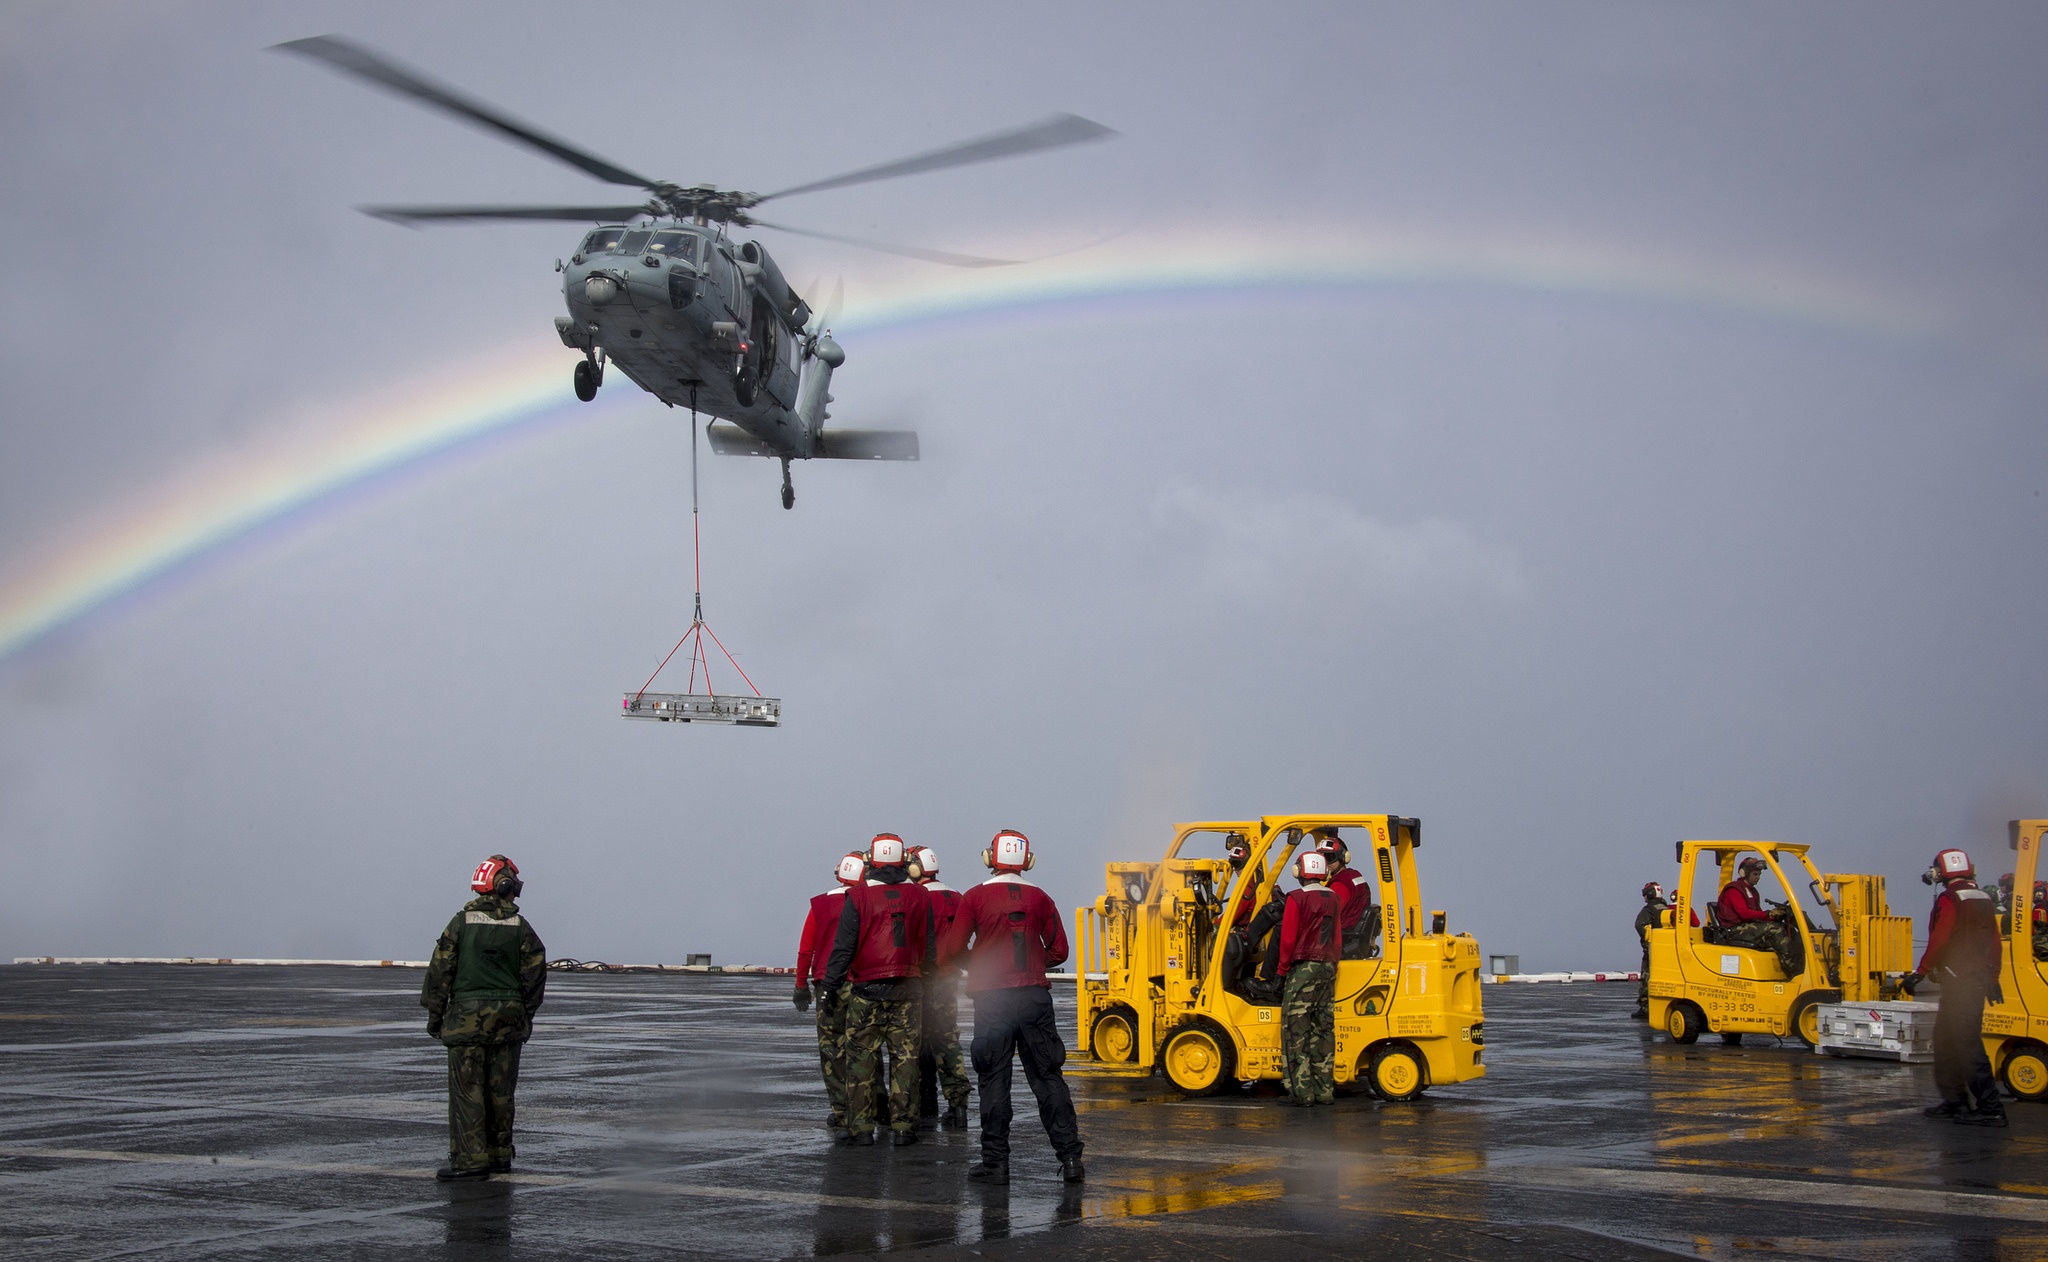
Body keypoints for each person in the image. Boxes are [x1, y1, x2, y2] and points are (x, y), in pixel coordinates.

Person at [938, 829, 1085, 1185]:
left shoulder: (974, 897)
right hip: (1035, 996)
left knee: (994, 1080)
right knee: (1048, 1077)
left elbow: (954, 948)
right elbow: (1060, 951)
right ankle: (1070, 1160)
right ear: (1027, 862)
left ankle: (996, 1164)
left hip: (993, 1000)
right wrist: (1033, 962)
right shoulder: (1042, 899)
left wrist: (983, 965)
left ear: (990, 858)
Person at [420, 854, 547, 1181]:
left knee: (468, 1093)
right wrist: (524, 1016)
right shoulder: (521, 928)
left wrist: (436, 1017)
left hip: (465, 1024)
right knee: (501, 1092)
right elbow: (534, 977)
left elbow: (439, 974)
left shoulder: (460, 924)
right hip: (508, 1024)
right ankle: (500, 1155)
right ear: (504, 886)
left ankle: (470, 1161)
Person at [823, 833, 934, 1147]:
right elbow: (929, 949)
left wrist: (829, 989)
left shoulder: (857, 897)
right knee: (906, 1061)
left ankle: (862, 1130)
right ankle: (903, 1128)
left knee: (861, 1063)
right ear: (904, 863)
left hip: (866, 991)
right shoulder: (920, 896)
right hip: (909, 992)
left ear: (871, 862)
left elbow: (843, 950)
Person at [1915, 848, 2007, 1126]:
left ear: (1940, 872)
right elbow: (1994, 941)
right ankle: (1955, 1102)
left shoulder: (1951, 899)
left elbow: (1941, 937)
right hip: (1975, 978)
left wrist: (1921, 971)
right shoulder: (1983, 897)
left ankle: (1991, 1107)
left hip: (1960, 981)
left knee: (1966, 1043)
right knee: (1945, 1040)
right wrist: (1993, 978)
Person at [794, 851, 867, 1134]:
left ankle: (840, 1110)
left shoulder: (820, 904)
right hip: (861, 982)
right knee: (863, 1048)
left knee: (831, 1049)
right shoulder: (866, 901)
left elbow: (806, 948)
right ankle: (869, 1106)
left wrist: (801, 984)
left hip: (827, 984)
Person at [910, 845, 971, 1129]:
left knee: (918, 1042)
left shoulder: (916, 896)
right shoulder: (956, 896)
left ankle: (925, 1104)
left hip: (924, 978)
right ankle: (958, 1105)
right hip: (949, 979)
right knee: (947, 1040)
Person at [1278, 849, 1341, 1106]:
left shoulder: (1295, 899)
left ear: (1298, 872)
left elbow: (1289, 938)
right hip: (1327, 967)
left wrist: (1282, 970)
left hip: (1303, 967)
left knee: (1296, 1031)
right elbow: (1337, 937)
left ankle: (1301, 1093)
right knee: (1323, 1030)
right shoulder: (1334, 897)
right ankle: (1324, 1091)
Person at [1715, 856, 1801, 977]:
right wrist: (1768, 914)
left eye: (1759, 874)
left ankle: (1798, 965)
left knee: (1787, 928)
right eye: (1755, 874)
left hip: (1748, 926)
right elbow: (1744, 913)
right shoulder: (1734, 890)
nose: (1758, 877)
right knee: (1775, 930)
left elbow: (1758, 914)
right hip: (1734, 930)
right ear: (1744, 873)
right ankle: (1793, 970)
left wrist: (1774, 916)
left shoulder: (1752, 891)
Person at [1315, 828, 1376, 960]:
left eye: (1329, 857)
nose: (1325, 862)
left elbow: (1327, 916)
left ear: (1343, 857)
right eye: (1322, 858)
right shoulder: (1354, 876)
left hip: (1340, 939)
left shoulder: (1340, 884)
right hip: (1351, 935)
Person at [1632, 882, 1671, 1020]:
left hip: (1653, 950)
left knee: (1647, 977)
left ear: (1649, 894)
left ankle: (1646, 1007)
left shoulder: (1648, 910)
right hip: (1668, 951)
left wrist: (1647, 941)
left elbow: (1639, 925)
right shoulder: (1666, 908)